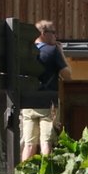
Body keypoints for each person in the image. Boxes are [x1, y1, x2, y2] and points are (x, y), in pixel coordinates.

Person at [20, 20, 69, 163]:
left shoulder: (25, 52)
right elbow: (67, 75)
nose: (55, 36)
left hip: (27, 104)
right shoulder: (52, 51)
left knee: (29, 145)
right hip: (47, 104)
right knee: (46, 142)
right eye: (53, 32)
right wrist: (60, 52)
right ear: (43, 33)